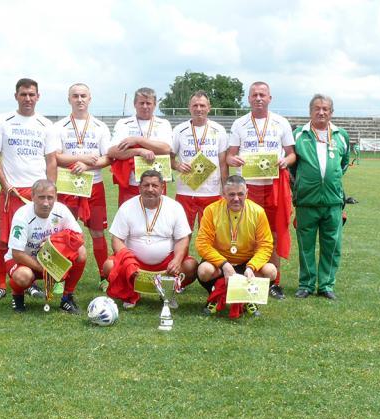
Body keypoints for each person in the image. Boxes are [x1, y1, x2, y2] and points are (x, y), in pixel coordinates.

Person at [0, 78, 57, 302]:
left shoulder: (46, 125)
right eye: (23, 94)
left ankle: (29, 282)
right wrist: (5, 184)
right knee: (2, 240)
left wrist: (51, 191)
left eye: (31, 94)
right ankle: (0, 284)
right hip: (11, 191)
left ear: (38, 96)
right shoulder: (3, 120)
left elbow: (51, 161)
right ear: (16, 96)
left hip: (36, 194)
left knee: (35, 240)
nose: (28, 98)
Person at [227, 81, 296, 300]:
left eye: (262, 95)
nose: (258, 98)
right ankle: (249, 278)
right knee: (248, 235)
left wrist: (286, 161)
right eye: (254, 95)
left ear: (269, 98)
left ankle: (274, 282)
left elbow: (291, 154)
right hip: (248, 189)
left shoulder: (281, 122)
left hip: (273, 187)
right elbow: (229, 155)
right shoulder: (240, 123)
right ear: (248, 99)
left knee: (274, 234)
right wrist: (233, 159)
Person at [103, 170, 197, 308]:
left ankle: (167, 291)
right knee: (108, 266)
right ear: (139, 187)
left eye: (155, 185)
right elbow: (116, 239)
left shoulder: (174, 207)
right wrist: (128, 260)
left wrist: (177, 260)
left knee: (191, 266)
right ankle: (130, 294)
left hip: (166, 263)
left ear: (162, 187)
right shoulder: (127, 207)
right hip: (134, 262)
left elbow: (182, 239)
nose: (150, 189)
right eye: (146, 185)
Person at [49, 83, 112, 291]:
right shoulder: (59, 126)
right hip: (67, 186)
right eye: (75, 96)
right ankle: (60, 277)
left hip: (94, 186)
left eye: (83, 95)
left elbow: (107, 158)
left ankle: (104, 277)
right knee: (64, 233)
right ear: (69, 99)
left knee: (97, 233)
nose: (79, 99)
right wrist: (82, 157)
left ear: (90, 98)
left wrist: (87, 164)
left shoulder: (100, 127)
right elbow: (56, 157)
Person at [292, 94, 350, 300]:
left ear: (331, 112)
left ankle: (326, 285)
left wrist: (329, 181)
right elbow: (292, 167)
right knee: (305, 245)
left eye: (325, 109)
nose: (321, 112)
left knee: (332, 245)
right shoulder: (299, 134)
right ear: (310, 111)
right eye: (317, 108)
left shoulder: (341, 135)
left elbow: (343, 164)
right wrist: (304, 184)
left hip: (333, 201)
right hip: (306, 201)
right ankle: (306, 284)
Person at [195, 175, 276, 318]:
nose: (236, 198)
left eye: (240, 194)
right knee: (204, 271)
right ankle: (216, 293)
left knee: (271, 271)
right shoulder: (211, 210)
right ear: (223, 194)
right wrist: (224, 264)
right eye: (231, 194)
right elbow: (202, 244)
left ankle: (246, 298)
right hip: (220, 263)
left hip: (246, 262)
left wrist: (252, 266)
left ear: (247, 193)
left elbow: (265, 245)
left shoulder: (258, 212)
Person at [5, 180, 86, 314]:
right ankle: (17, 295)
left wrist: (55, 242)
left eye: (50, 197)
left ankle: (67, 298)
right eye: (41, 197)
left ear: (56, 197)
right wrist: (46, 269)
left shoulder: (61, 210)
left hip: (49, 259)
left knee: (81, 252)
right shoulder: (22, 215)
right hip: (23, 260)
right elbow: (17, 253)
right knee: (23, 276)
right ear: (32, 197)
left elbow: (79, 237)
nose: (46, 202)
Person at [171, 90, 228, 232]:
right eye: (195, 105)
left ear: (209, 107)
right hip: (185, 191)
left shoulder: (219, 130)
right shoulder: (179, 130)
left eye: (202, 105)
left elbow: (223, 163)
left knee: (210, 233)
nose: (198, 109)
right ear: (189, 107)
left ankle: (207, 256)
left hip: (211, 192)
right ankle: (183, 256)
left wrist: (225, 189)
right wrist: (177, 165)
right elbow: (169, 158)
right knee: (183, 232)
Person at [108, 87, 172, 206]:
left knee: (157, 220)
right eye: (141, 103)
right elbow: (112, 152)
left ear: (155, 104)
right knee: (128, 221)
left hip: (157, 183)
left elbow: (166, 149)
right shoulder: (123, 124)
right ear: (134, 104)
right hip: (131, 183)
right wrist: (138, 151)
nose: (145, 106)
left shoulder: (163, 124)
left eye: (148, 103)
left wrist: (138, 139)